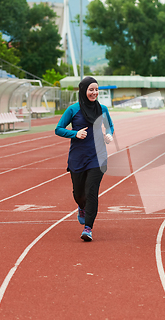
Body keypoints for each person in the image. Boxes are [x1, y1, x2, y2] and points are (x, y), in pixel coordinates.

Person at [55, 76, 114, 241]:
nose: (94, 92)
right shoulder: (73, 110)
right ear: (83, 91)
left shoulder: (102, 109)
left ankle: (88, 228)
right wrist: (75, 133)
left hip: (98, 157)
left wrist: (109, 135)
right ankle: (81, 206)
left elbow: (110, 127)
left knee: (91, 191)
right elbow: (58, 129)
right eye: (91, 89)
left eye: (96, 89)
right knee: (79, 193)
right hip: (78, 157)